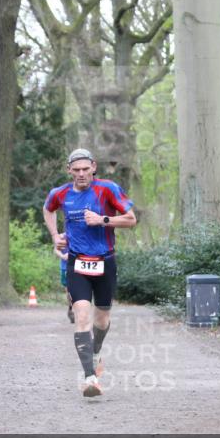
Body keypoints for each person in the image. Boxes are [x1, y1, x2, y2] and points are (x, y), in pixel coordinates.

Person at [43, 148, 137, 397]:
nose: (81, 174)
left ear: (94, 166)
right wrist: (55, 237)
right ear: (69, 170)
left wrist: (103, 220)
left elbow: (131, 219)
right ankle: (89, 378)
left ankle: (96, 351)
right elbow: (48, 208)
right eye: (76, 170)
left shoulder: (108, 189)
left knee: (102, 319)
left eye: (86, 169)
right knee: (82, 314)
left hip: (105, 262)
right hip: (77, 263)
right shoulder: (60, 193)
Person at [54, 245, 74, 323]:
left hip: (78, 267)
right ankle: (71, 308)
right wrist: (62, 256)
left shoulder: (81, 235)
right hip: (65, 268)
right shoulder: (62, 237)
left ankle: (78, 310)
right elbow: (55, 249)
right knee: (68, 290)